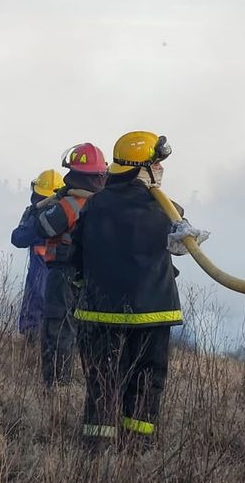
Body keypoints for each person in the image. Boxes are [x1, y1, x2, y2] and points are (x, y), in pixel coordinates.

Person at [71, 130, 182, 449]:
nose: (160, 169)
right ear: (142, 167)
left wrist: (81, 286)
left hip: (98, 312)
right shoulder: (167, 210)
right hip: (153, 313)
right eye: (157, 163)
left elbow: (74, 254)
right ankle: (136, 447)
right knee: (147, 380)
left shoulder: (93, 206)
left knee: (101, 381)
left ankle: (96, 450)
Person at [29, 143, 107, 387]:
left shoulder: (69, 204)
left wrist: (52, 205)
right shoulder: (102, 202)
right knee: (85, 329)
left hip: (63, 273)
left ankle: (56, 383)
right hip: (91, 277)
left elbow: (44, 227)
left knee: (57, 326)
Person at [11, 168, 64, 345]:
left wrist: (27, 220)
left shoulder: (36, 218)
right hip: (63, 273)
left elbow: (18, 239)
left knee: (35, 303)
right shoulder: (66, 213)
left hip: (40, 272)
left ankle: (32, 342)